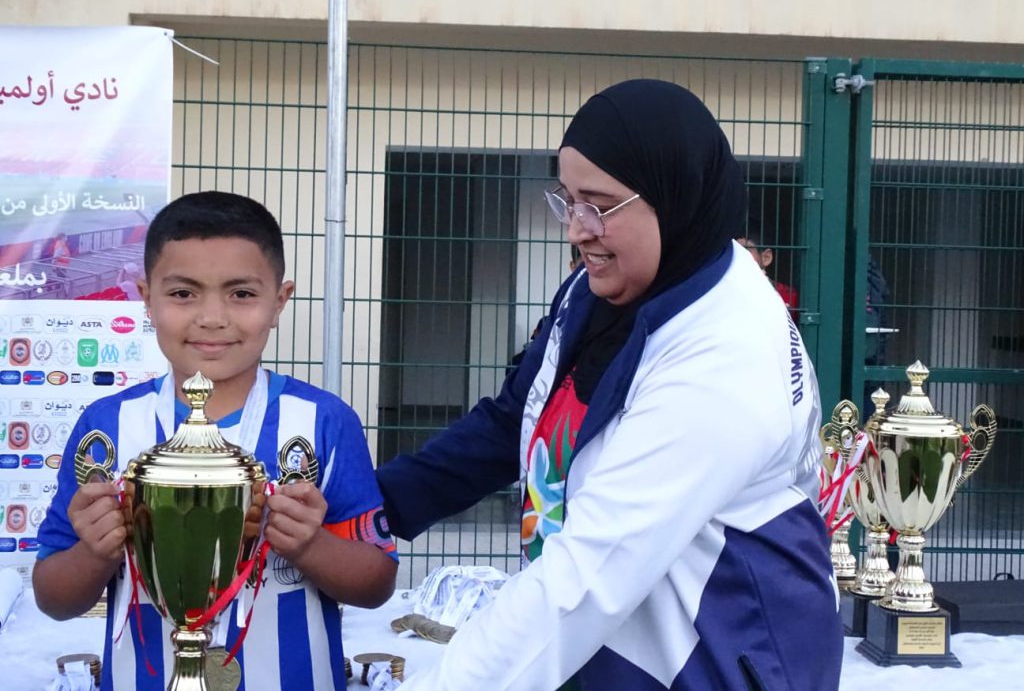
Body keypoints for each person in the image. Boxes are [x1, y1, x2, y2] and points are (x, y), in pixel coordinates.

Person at [377, 80, 842, 689]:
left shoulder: (725, 354)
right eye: (568, 200)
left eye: (598, 205)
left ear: (674, 197)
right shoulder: (600, 291)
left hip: (715, 658)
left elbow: (588, 576)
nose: (576, 230)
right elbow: (513, 419)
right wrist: (370, 505)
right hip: (612, 648)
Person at [33, 191, 398, 691]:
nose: (212, 317)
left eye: (241, 294)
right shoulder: (108, 427)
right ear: (146, 299)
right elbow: (53, 597)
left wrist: (310, 545)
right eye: (184, 293)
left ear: (279, 301)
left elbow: (377, 584)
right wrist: (96, 552)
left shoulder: (323, 423)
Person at [736, 216, 800, 320]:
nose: (736, 256)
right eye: (732, 251)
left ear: (766, 257)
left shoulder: (789, 296)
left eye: (745, 250)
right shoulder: (720, 292)